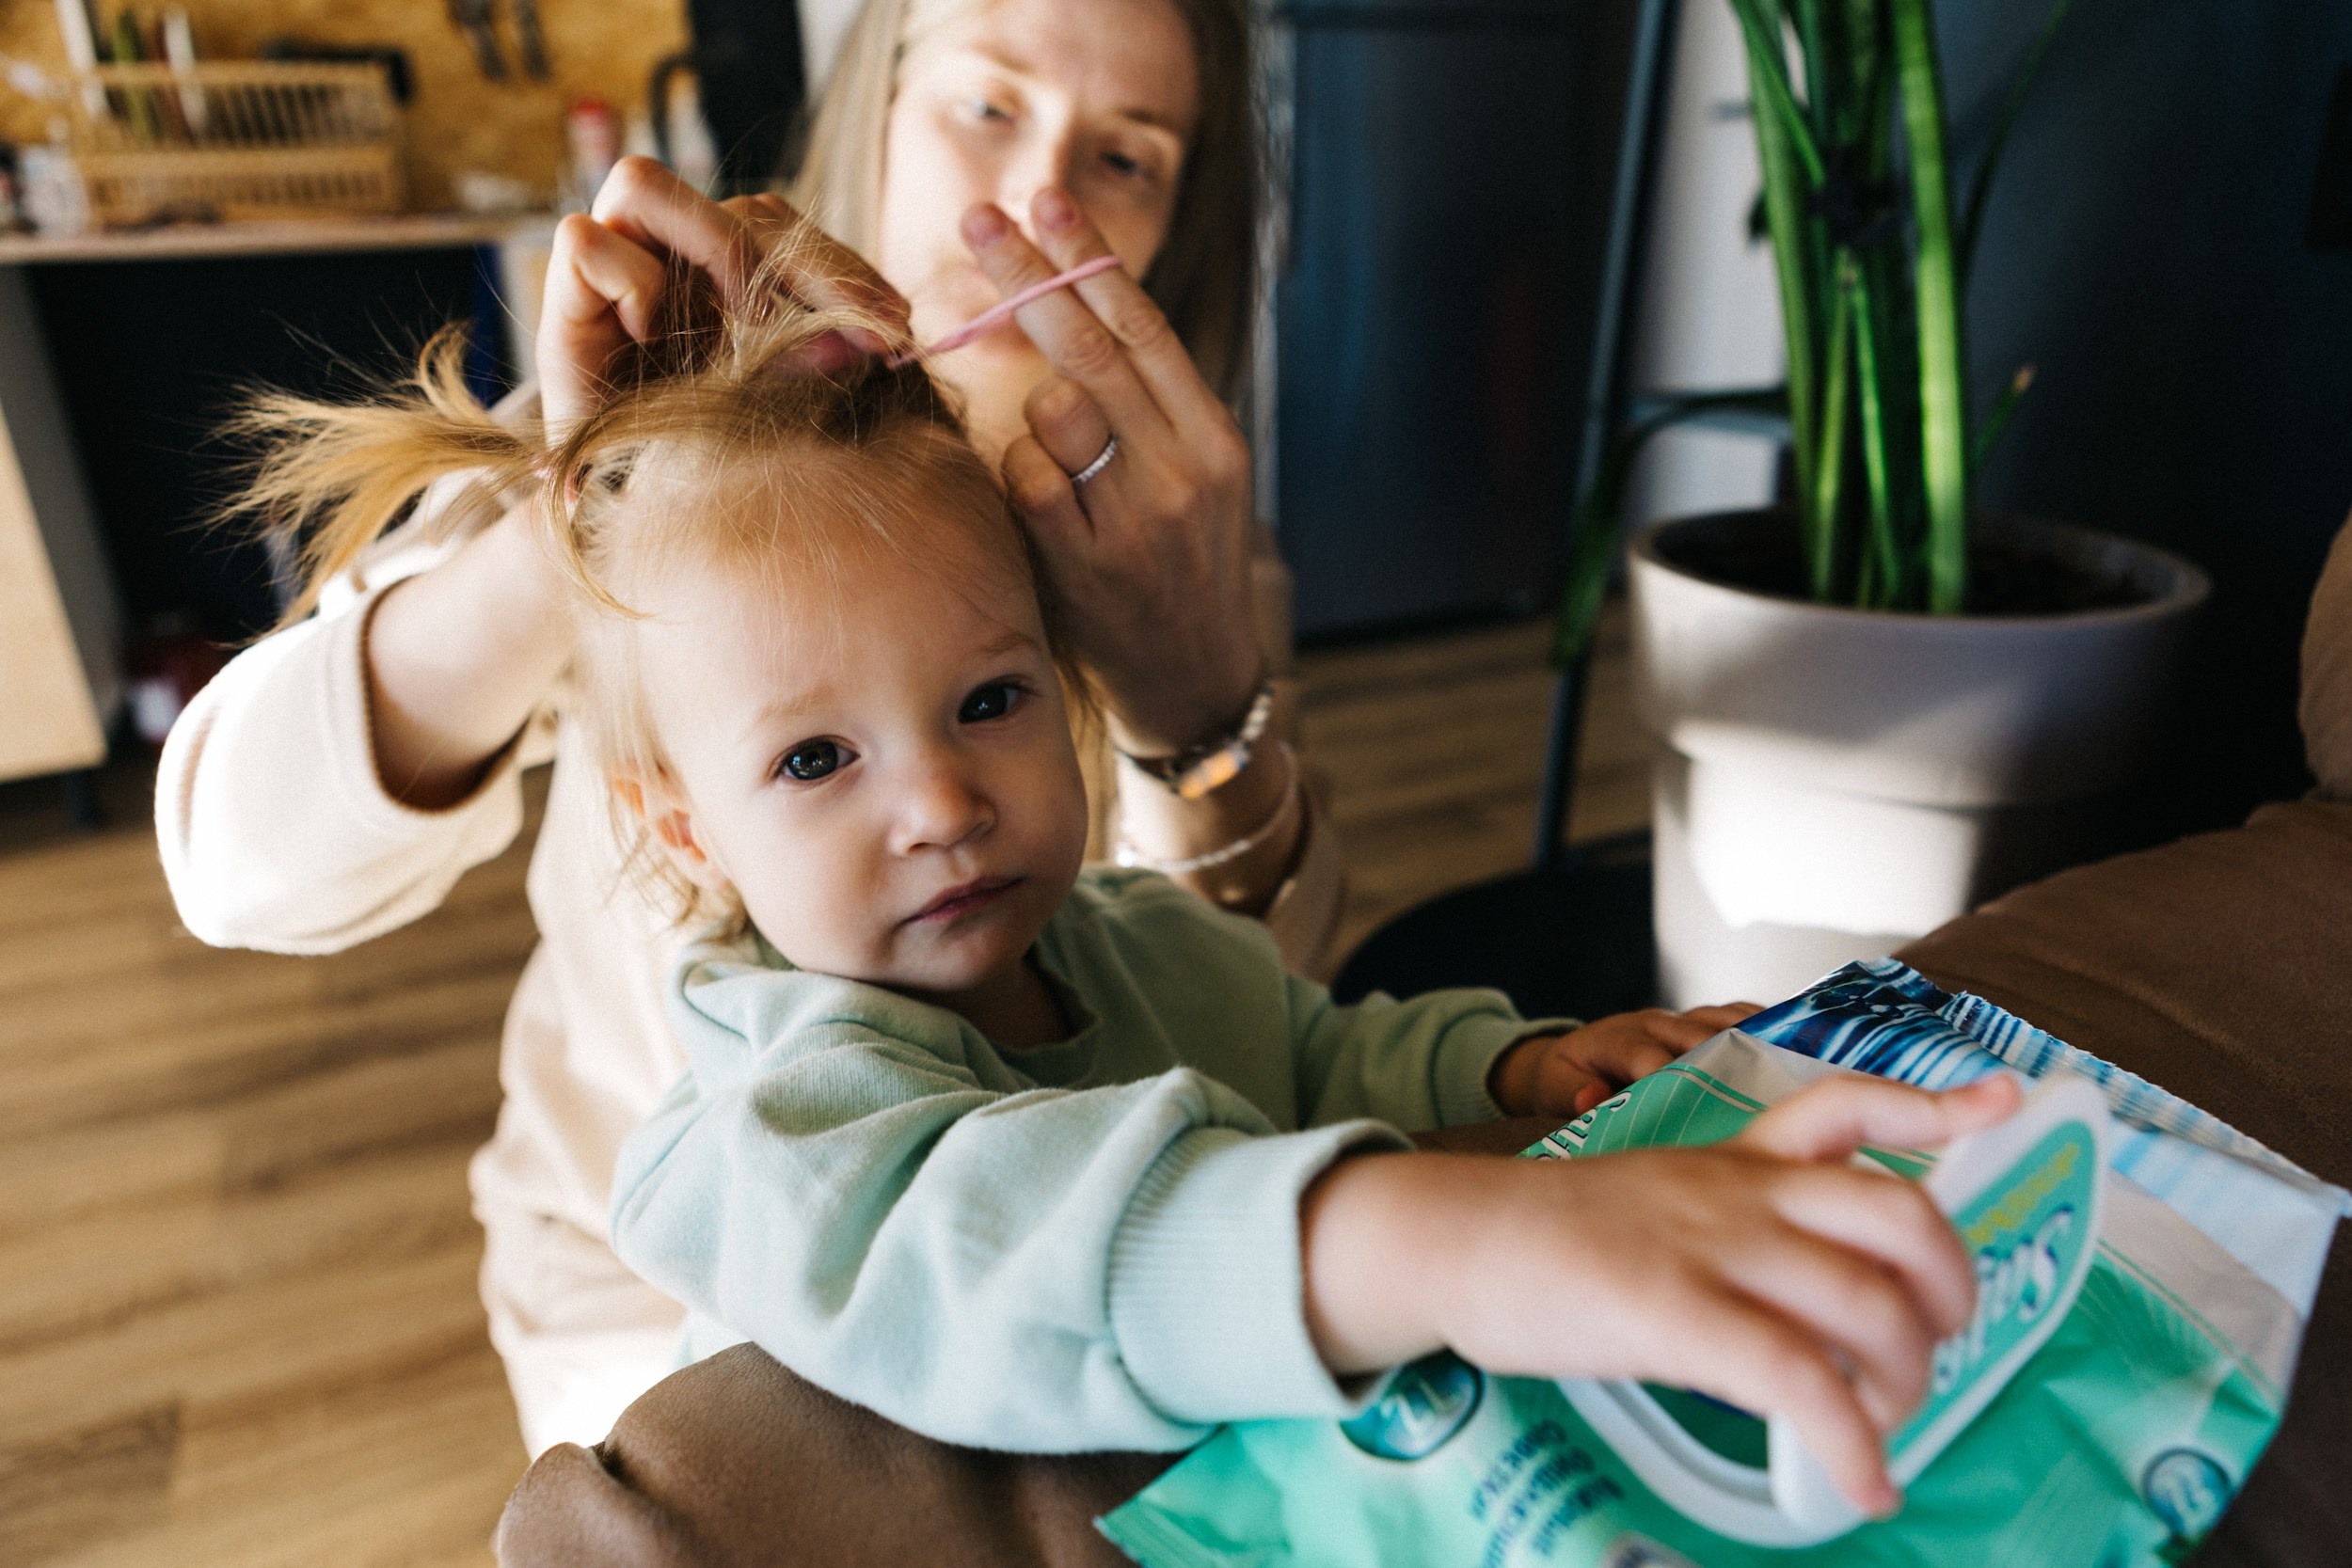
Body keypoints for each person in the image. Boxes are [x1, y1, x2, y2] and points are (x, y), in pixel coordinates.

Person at [230, 276, 2020, 1518]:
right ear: (680, 832)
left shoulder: (1141, 939)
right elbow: (1021, 1241)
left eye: (991, 702)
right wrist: (1487, 1240)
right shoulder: (755, 1129)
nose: (940, 798)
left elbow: (1317, 1057)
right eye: (812, 761)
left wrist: (1497, 1076)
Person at [158, 0, 1329, 1455]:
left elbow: (1255, 1041)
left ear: (1173, 236)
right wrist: (574, 524)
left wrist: (1197, 718)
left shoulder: (1184, 544)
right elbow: (233, 867)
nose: (1037, 199)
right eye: (985, 105)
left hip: (1062, 1274)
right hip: (647, 1318)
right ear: (875, 113)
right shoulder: (631, 436)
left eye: (1128, 158)